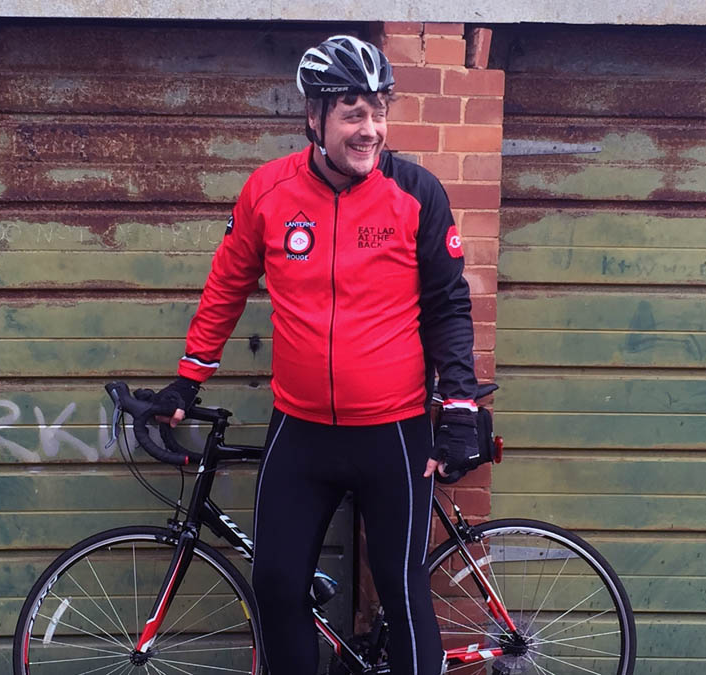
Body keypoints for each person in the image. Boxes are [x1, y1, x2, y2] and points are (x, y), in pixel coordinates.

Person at [156, 35, 481, 675]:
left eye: (379, 112)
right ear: (315, 116)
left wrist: (460, 407)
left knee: (402, 589)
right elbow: (227, 284)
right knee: (277, 585)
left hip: (393, 432)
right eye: (354, 113)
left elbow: (449, 305)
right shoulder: (268, 191)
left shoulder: (416, 192)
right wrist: (188, 379)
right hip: (301, 432)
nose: (371, 130)